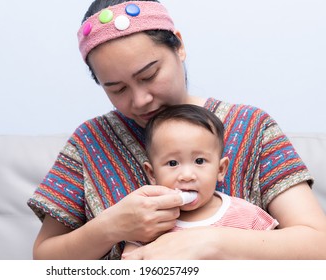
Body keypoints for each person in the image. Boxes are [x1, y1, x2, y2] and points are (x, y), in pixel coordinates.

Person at [28, 0, 326, 259]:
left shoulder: (252, 128)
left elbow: (317, 244)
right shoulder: (90, 143)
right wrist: (111, 227)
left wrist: (209, 242)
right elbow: (44, 257)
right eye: (117, 89)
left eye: (149, 75)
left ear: (179, 46)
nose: (140, 100)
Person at [122, 104, 279, 256]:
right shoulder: (150, 222)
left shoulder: (245, 214)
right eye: (172, 163)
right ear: (152, 174)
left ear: (220, 169)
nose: (187, 175)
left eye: (199, 161)